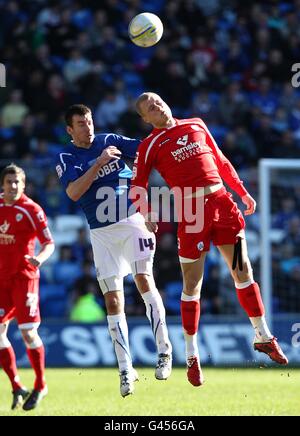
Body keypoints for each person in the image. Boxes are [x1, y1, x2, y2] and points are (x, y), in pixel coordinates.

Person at [131, 92, 288, 387]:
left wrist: (241, 192)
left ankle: (263, 335)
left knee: (243, 270)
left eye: (158, 101)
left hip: (223, 205)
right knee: (193, 285)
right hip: (192, 214)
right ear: (145, 119)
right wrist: (147, 212)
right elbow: (137, 185)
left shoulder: (196, 124)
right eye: (150, 107)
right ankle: (192, 355)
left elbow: (221, 159)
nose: (157, 106)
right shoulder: (149, 145)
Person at [55, 104, 172, 397]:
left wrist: (147, 202)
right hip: (101, 233)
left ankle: (164, 352)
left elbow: (147, 150)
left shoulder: (111, 140)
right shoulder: (66, 157)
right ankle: (125, 369)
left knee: (144, 280)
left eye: (90, 121)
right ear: (70, 130)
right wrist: (99, 163)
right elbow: (73, 192)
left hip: (133, 220)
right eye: (81, 123)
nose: (88, 127)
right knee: (112, 300)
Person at [0, 164, 55, 410]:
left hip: (24, 277)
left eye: (17, 182)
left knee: (27, 333)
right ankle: (16, 385)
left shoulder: (32, 209)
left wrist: (39, 259)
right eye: (9, 181)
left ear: (24, 185)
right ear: (2, 184)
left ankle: (41, 384)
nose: (13, 186)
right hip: (2, 280)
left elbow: (49, 243)